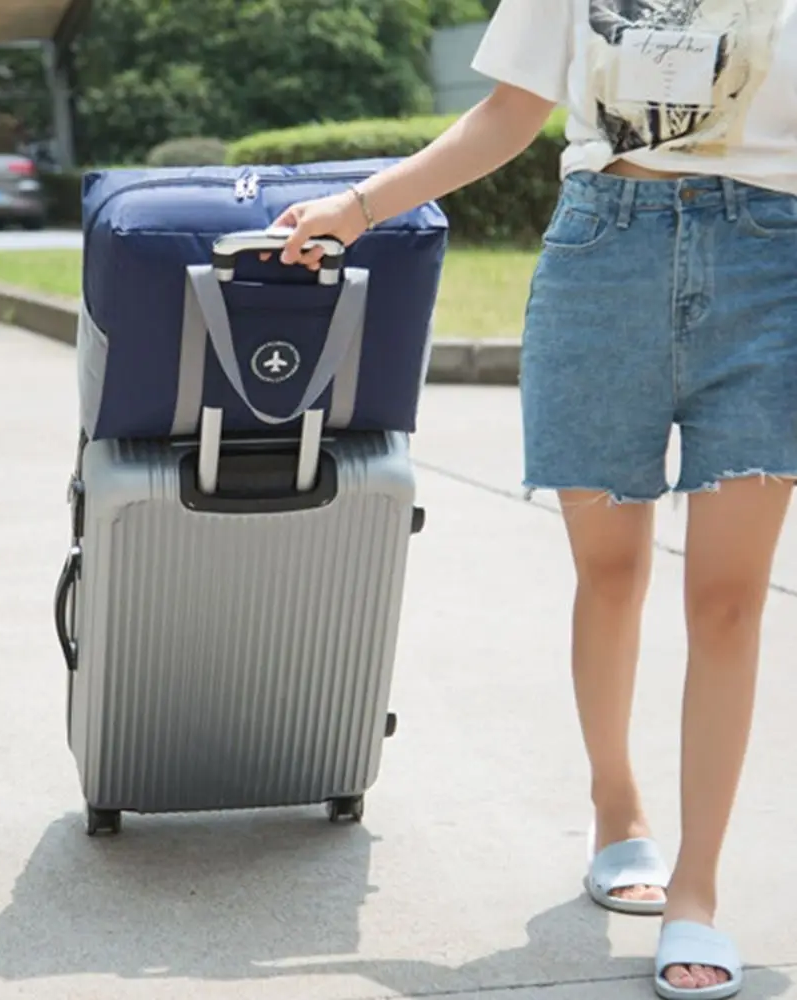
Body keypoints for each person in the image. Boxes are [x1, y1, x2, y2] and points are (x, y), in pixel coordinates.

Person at [268, 2, 797, 998]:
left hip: (773, 272)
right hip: (603, 261)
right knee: (609, 572)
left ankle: (696, 892)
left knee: (727, 600)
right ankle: (614, 806)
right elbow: (508, 114)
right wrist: (361, 203)